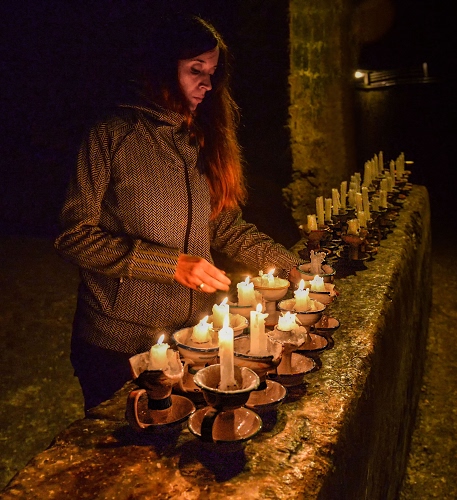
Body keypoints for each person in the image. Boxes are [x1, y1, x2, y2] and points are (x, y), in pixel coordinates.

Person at [55, 13, 303, 413]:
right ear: (161, 66)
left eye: (212, 73)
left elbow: (222, 226)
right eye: (195, 70)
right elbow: (74, 236)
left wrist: (291, 266)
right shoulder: (112, 134)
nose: (207, 83)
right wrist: (170, 264)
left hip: (191, 339)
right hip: (117, 345)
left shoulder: (198, 139)